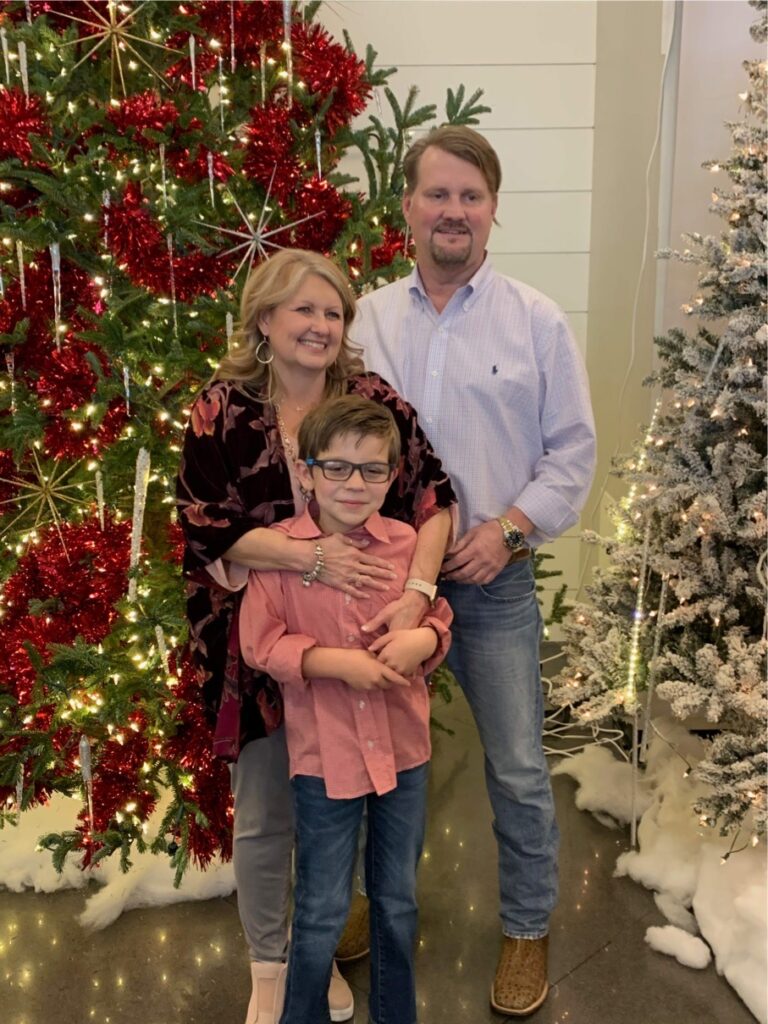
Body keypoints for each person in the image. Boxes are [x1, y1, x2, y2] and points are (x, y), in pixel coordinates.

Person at [353, 125, 597, 1017]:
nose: (453, 211)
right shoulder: (366, 321)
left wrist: (509, 533)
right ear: (407, 207)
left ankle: (527, 927)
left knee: (519, 767)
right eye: (438, 193)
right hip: (381, 585)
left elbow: (572, 453)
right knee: (367, 756)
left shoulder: (536, 321)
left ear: (493, 211)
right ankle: (358, 901)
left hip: (492, 583)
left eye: (471, 195)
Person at [176, 250, 455, 1024]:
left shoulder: (371, 401)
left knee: (341, 804)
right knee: (270, 810)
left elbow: (434, 497)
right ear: (265, 318)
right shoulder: (222, 408)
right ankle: (271, 965)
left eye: (333, 313)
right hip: (256, 634)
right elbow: (203, 526)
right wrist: (310, 559)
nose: (320, 325)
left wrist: (417, 596)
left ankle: (320, 948)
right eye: (303, 309)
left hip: (366, 640)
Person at [240, 395, 453, 1024]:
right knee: (321, 910)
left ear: (392, 475)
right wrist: (338, 663)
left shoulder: (405, 545)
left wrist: (424, 640)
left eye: (372, 469)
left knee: (397, 901)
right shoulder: (283, 552)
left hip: (403, 752)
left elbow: (438, 617)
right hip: (324, 759)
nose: (354, 484)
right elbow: (259, 642)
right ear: (306, 472)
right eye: (336, 467)